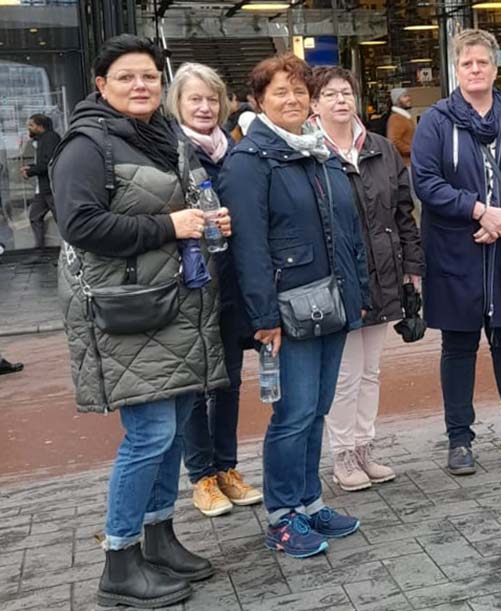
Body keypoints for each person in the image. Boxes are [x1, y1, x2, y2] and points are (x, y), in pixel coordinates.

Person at [52, 35, 230, 608]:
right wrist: (172, 226)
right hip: (129, 311)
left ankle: (159, 537)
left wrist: (207, 220)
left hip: (174, 304)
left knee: (174, 429)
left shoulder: (163, 137)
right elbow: (81, 225)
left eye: (150, 76)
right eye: (127, 77)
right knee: (148, 435)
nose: (141, 86)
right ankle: (119, 561)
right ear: (101, 86)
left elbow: (181, 208)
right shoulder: (86, 146)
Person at [219, 53, 369, 559]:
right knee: (294, 413)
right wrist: (264, 318)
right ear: (258, 101)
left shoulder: (316, 154)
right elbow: (249, 248)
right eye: (279, 92)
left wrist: (356, 296)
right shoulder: (248, 162)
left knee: (317, 410)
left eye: (300, 91)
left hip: (329, 304)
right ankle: (283, 516)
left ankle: (309, 501)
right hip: (288, 313)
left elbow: (346, 233)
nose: (292, 99)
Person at [410, 29, 501, 476]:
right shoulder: (435, 120)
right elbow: (426, 181)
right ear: (456, 69)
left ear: (496, 69)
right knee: (458, 347)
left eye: (483, 63)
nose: (475, 70)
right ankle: (459, 439)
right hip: (456, 251)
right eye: (467, 63)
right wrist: (478, 211)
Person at [309, 66, 423, 492]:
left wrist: (413, 268)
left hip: (383, 273)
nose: (341, 100)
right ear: (315, 103)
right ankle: (342, 454)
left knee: (371, 370)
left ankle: (364, 447)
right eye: (331, 94)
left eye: (346, 93)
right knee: (344, 373)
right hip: (337, 278)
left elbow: (402, 212)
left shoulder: (380, 148)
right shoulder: (309, 151)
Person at [164, 62, 264, 519]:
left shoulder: (235, 152)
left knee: (227, 382)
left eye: (211, 99)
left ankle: (227, 468)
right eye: (194, 100)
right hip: (188, 289)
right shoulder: (168, 151)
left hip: (231, 286)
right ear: (178, 105)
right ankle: (201, 475)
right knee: (194, 386)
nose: (205, 108)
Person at [20, 114, 61, 249]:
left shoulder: (50, 138)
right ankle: (39, 248)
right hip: (44, 188)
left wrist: (31, 171)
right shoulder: (42, 139)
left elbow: (48, 163)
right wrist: (31, 168)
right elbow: (43, 162)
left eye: (31, 125)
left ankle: (70, 246)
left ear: (39, 126)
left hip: (50, 188)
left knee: (60, 218)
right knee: (35, 216)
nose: (29, 128)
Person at [386, 87, 416, 166]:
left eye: (408, 96)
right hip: (405, 163)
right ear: (396, 101)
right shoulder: (396, 118)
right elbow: (394, 141)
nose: (409, 98)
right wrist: (413, 150)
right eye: (405, 96)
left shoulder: (404, 117)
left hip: (410, 162)